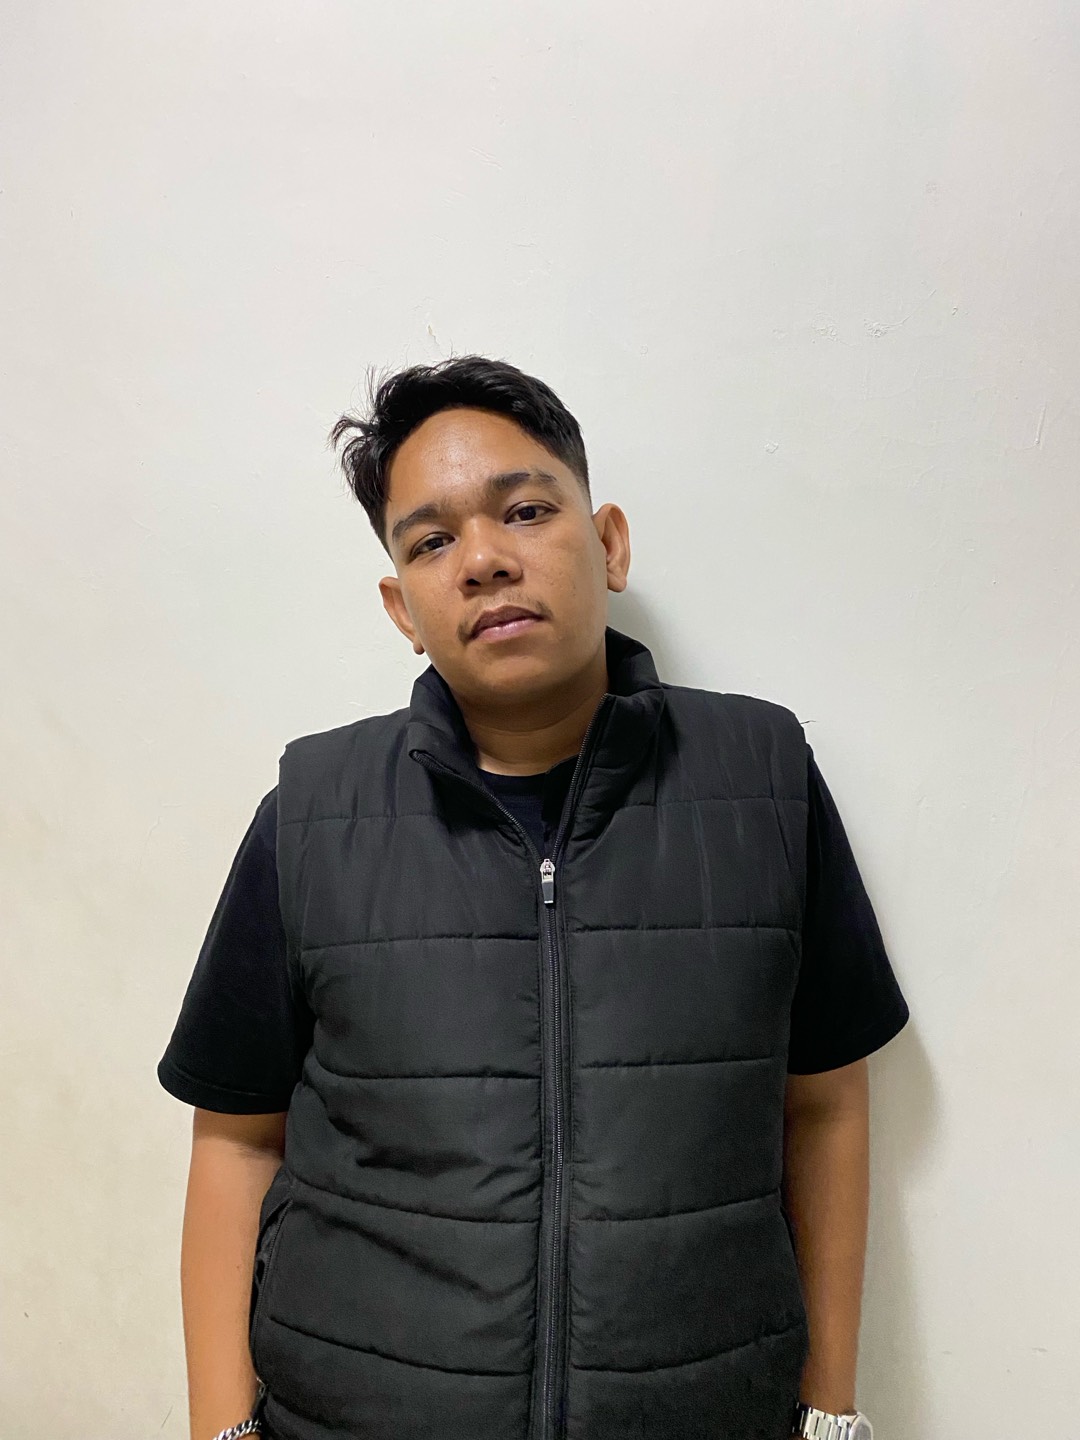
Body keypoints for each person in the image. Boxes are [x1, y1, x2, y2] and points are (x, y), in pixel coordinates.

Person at [158, 355, 908, 1440]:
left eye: (523, 510)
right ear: (401, 607)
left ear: (609, 544)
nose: (483, 560)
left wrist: (830, 1412)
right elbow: (235, 1139)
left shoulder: (763, 781)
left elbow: (827, 1103)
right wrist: (222, 1432)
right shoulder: (314, 813)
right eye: (431, 541)